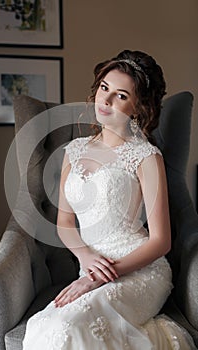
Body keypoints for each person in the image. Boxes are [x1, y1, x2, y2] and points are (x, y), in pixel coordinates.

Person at [22, 50, 196, 349]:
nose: (106, 100)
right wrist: (86, 258)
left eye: (121, 95)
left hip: (138, 271)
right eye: (104, 88)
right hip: (91, 266)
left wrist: (101, 277)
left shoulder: (146, 157)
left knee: (67, 327)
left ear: (137, 107)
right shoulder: (73, 151)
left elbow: (161, 241)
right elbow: (64, 221)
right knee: (44, 327)